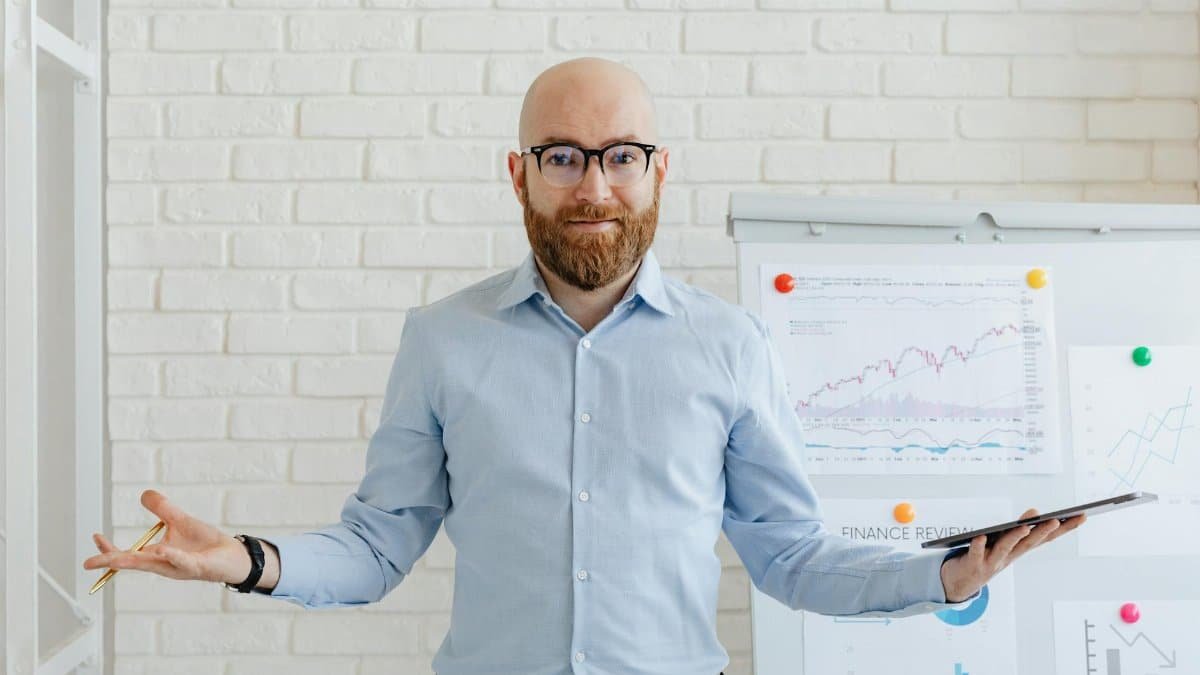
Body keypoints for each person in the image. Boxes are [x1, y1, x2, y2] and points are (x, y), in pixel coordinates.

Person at [83, 57, 1085, 675]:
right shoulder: (442, 340)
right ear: (518, 174)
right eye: (562, 156)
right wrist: (245, 560)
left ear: (658, 172)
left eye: (620, 155)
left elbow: (791, 557)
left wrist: (944, 574)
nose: (593, 183)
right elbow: (378, 548)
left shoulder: (730, 346)